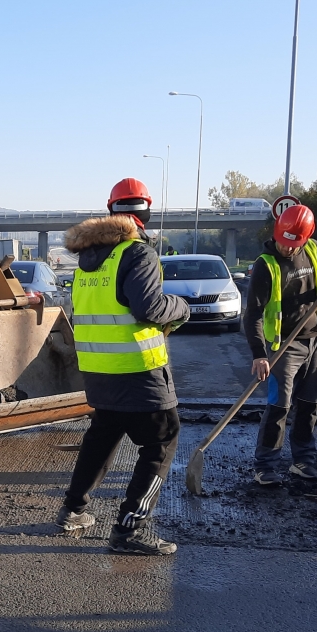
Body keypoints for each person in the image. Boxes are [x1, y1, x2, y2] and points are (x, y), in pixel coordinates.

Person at [56, 177, 190, 556]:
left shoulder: (87, 261)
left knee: (103, 434)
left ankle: (73, 510)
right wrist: (182, 308)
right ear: (147, 211)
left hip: (99, 371)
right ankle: (132, 528)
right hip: (138, 370)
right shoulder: (137, 253)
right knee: (161, 442)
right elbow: (148, 308)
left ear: (111, 209)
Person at [244, 204, 317, 485]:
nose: (287, 248)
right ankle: (265, 467)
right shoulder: (266, 265)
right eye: (284, 242)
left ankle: (302, 462)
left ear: (306, 237)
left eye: (293, 243)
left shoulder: (314, 249)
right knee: (279, 407)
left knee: (310, 404)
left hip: (316, 339)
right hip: (284, 346)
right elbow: (253, 314)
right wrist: (259, 355)